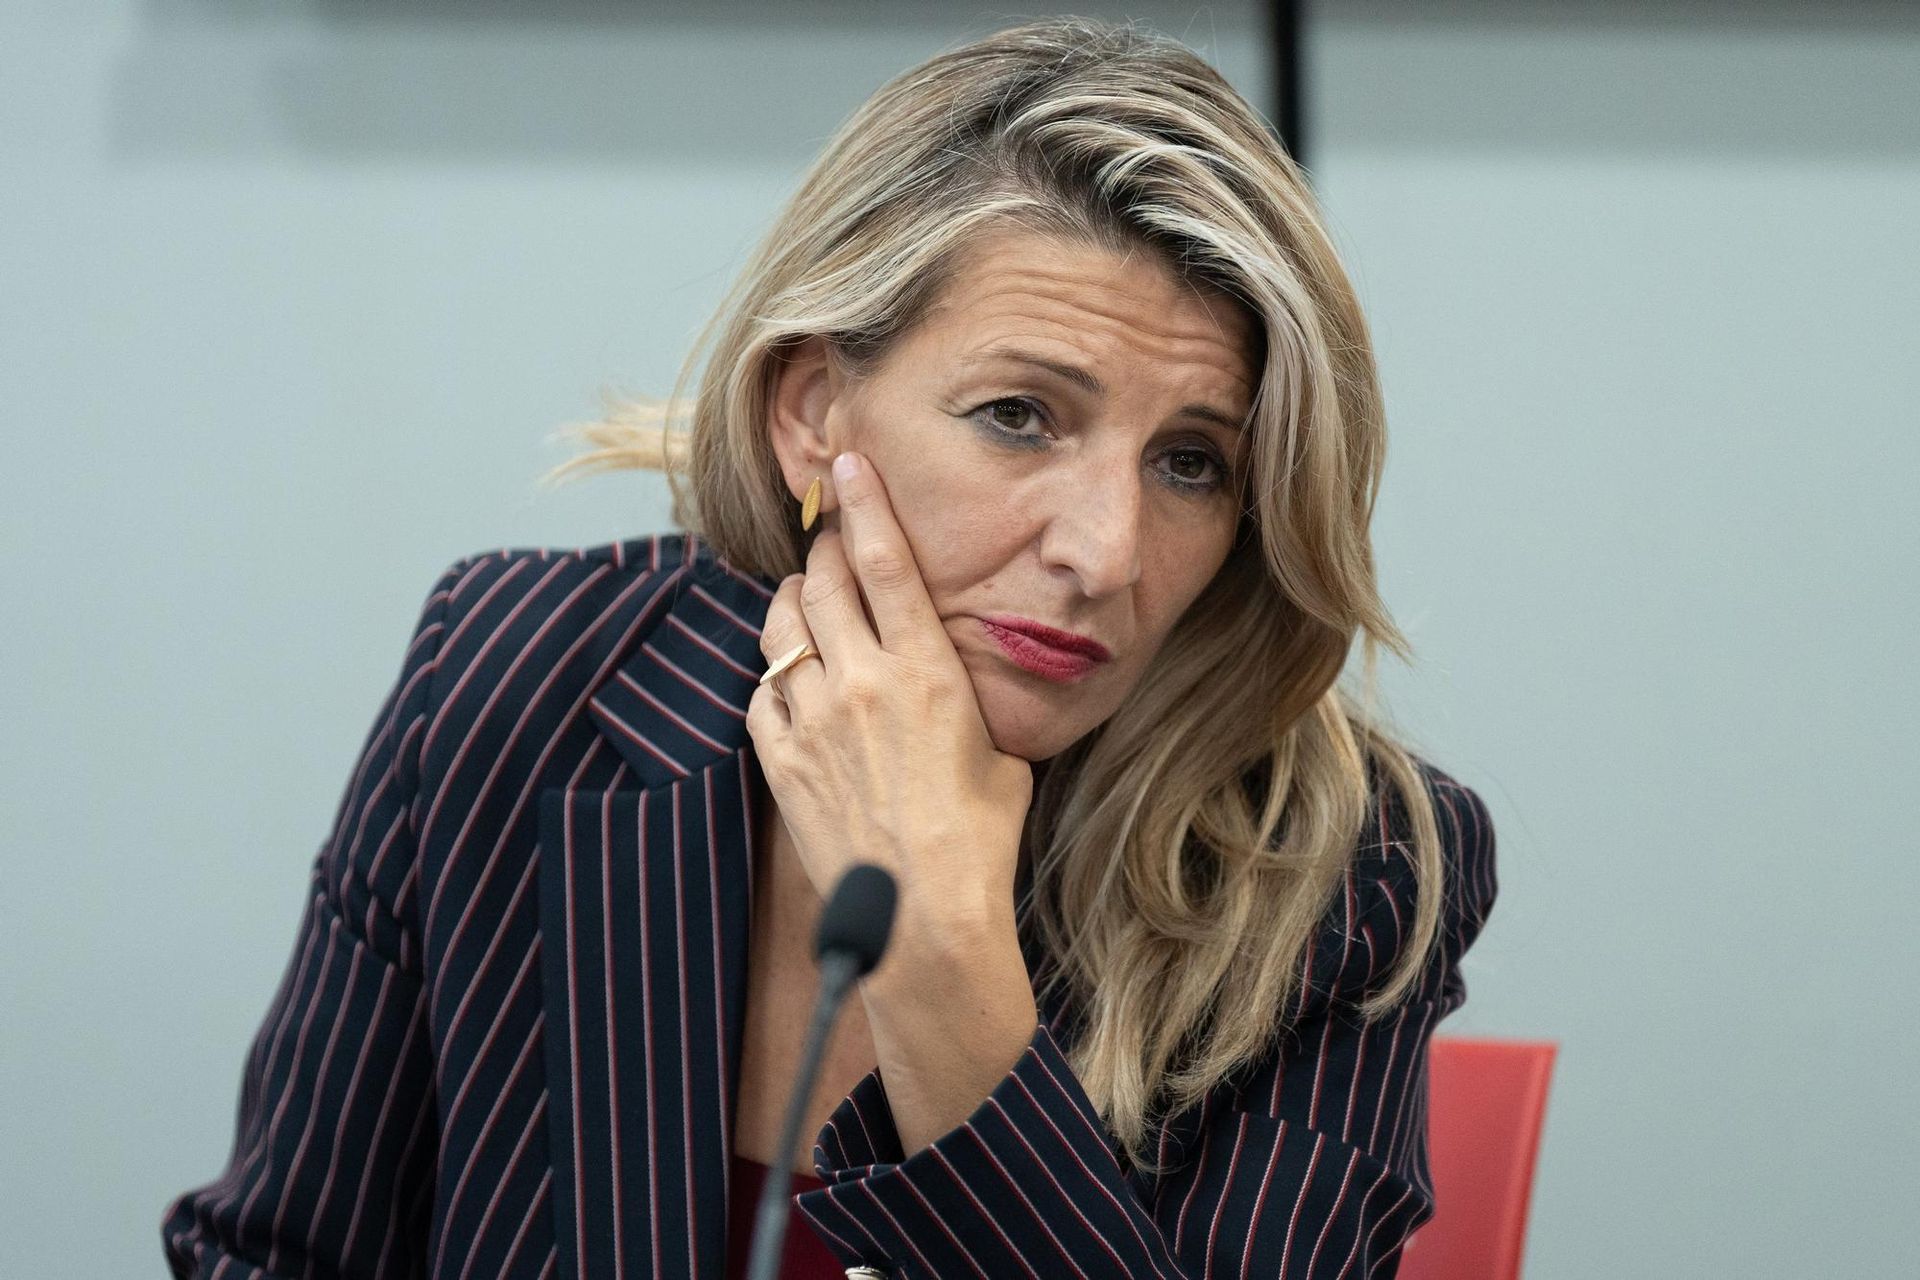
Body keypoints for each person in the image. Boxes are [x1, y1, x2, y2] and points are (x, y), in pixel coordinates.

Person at [162, 16, 1498, 1280]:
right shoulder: (524, 675)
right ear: (812, 411)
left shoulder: (1341, 868)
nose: (1106, 551)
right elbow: (277, 1258)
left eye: (1192, 462)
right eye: (1020, 415)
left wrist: (945, 947)